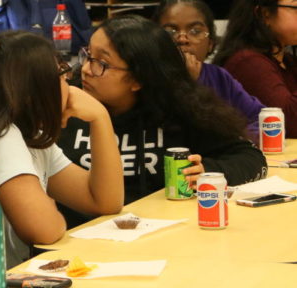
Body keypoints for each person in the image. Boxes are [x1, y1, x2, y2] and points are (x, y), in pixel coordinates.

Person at [0, 31, 124, 269]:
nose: (69, 84)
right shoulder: (2, 137)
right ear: (35, 89)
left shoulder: (29, 134)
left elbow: (105, 201)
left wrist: (100, 118)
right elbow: (45, 229)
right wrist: (50, 211)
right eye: (62, 74)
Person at [58, 15, 266, 206]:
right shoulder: (65, 108)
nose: (85, 69)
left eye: (101, 63)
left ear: (139, 79)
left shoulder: (178, 110)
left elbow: (251, 158)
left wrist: (208, 171)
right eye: (87, 55)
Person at [153, 0, 264, 141]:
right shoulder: (147, 78)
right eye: (170, 31)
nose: (182, 39)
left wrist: (239, 138)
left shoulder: (219, 77)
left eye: (195, 31)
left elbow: (260, 120)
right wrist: (188, 84)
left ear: (210, 43)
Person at [214, 0, 297, 137]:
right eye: (296, 7)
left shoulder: (286, 61)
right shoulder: (248, 62)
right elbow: (287, 124)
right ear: (264, 14)